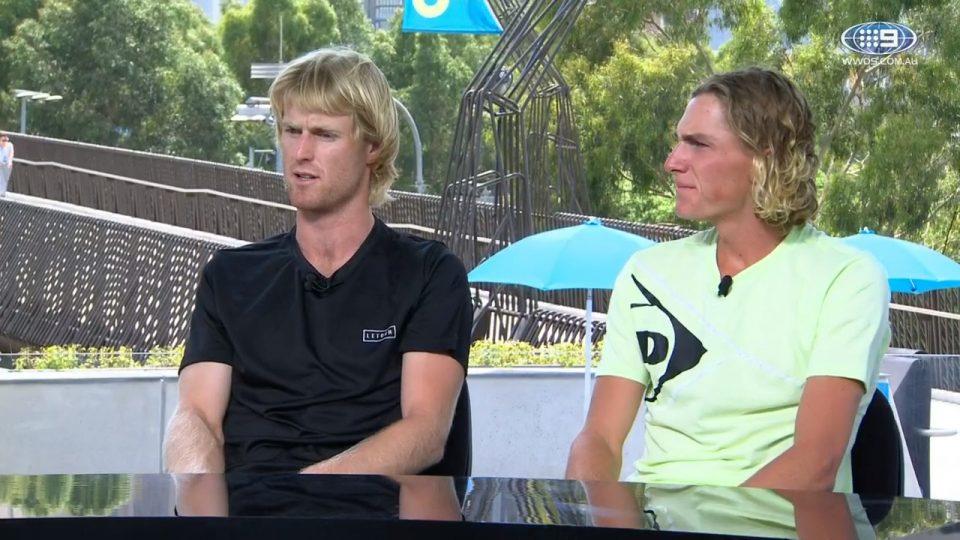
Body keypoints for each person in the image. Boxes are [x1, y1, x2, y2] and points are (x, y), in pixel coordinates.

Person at [566, 68, 890, 492]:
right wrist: (583, 511)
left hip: (778, 520)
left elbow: (815, 462)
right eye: (679, 141)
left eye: (698, 144)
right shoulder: (646, 272)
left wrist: (705, 524)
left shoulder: (848, 278)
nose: (672, 162)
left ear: (764, 159)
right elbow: (600, 439)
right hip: (655, 513)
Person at [164, 48, 472, 475]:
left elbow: (425, 432)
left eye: (325, 135)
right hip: (246, 507)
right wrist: (199, 498)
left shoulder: (428, 274)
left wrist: (297, 498)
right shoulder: (229, 277)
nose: (301, 152)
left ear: (372, 147)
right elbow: (196, 417)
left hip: (375, 509)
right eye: (292, 130)